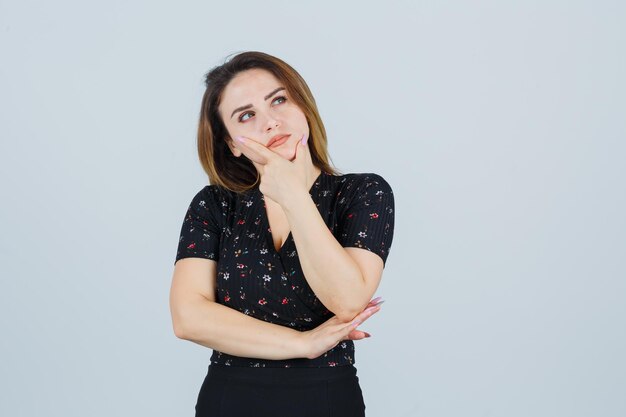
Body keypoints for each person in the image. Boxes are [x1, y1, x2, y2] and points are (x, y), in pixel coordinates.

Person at [169, 51, 395, 417]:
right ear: (231, 143)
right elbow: (188, 318)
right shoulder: (214, 204)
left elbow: (348, 300)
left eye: (279, 100)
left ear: (302, 105)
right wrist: (302, 343)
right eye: (247, 115)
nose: (270, 122)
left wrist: (292, 195)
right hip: (229, 399)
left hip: (326, 398)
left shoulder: (364, 192)